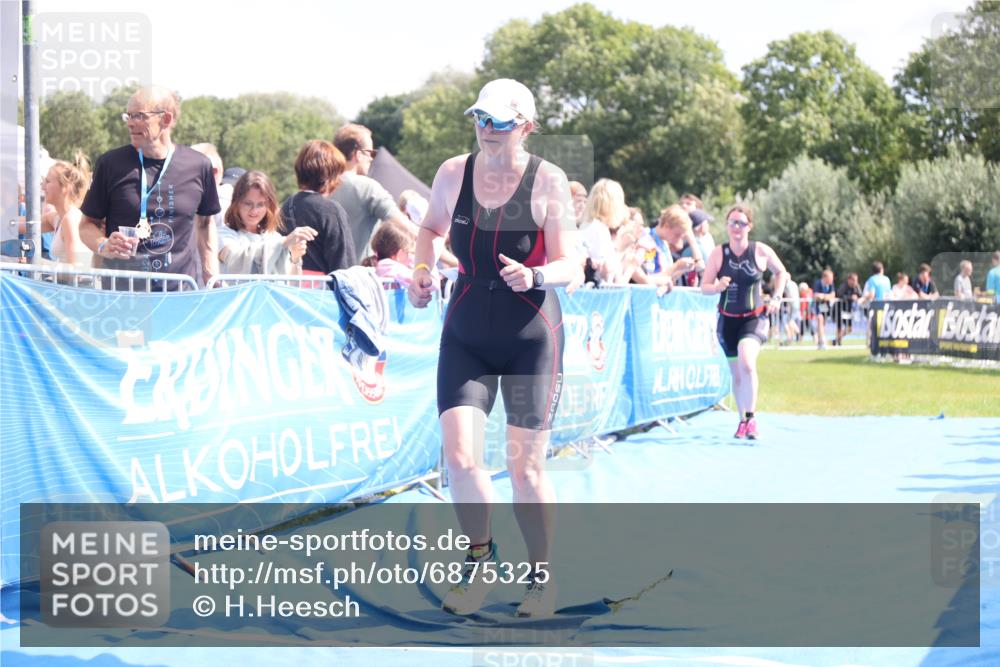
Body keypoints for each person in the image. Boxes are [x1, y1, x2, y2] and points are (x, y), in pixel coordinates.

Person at [407, 78, 582, 618]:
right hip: (466, 331)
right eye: (479, 119)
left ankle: (541, 578)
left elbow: (573, 267)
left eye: (499, 122)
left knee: (525, 470)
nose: (486, 130)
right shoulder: (452, 172)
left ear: (525, 126)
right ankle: (480, 558)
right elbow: (430, 230)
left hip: (532, 335)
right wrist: (419, 270)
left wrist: (536, 277)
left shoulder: (548, 181)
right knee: (459, 459)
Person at [79, 85, 220, 287]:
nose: (130, 123)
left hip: (180, 293)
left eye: (139, 116)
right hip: (125, 297)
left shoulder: (198, 165)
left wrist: (211, 277)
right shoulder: (111, 164)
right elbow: (86, 225)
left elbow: (206, 224)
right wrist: (103, 245)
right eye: (128, 116)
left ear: (166, 119)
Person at [702, 204, 787, 440]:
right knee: (737, 374)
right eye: (732, 222)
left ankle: (751, 418)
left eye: (741, 223)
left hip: (754, 318)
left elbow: (782, 273)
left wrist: (777, 297)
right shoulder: (719, 254)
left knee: (747, 362)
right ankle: (742, 421)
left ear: (749, 226)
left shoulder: (759, 251)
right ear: (727, 226)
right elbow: (704, 287)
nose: (736, 227)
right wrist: (717, 286)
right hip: (727, 321)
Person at [280, 140, 357, 275]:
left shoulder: (285, 207)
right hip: (322, 293)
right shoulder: (333, 211)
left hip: (288, 290)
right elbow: (345, 267)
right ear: (330, 175)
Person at [218, 171, 315, 275]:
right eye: (248, 203)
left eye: (260, 205)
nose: (254, 210)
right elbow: (235, 259)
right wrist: (283, 243)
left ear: (269, 206)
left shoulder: (274, 237)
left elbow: (291, 283)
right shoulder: (223, 235)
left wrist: (295, 258)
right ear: (236, 204)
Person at [42, 153, 93, 267]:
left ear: (65, 187)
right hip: (68, 284)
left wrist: (39, 264)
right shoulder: (57, 218)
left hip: (78, 284)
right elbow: (17, 224)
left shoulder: (71, 219)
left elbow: (75, 270)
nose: (42, 186)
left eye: (48, 181)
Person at [365, 218, 417, 287]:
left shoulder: (381, 266)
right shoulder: (388, 266)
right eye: (408, 253)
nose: (410, 258)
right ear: (399, 254)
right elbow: (420, 280)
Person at [835, 272, 862, 345]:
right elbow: (839, 295)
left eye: (856, 280)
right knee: (839, 327)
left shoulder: (856, 286)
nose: (855, 282)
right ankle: (838, 342)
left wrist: (856, 295)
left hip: (848, 310)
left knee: (849, 328)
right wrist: (850, 297)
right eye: (854, 280)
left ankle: (837, 339)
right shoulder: (843, 286)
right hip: (839, 308)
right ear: (849, 280)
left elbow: (860, 295)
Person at [811, 269, 836, 349]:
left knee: (822, 324)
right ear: (825, 278)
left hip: (825, 307)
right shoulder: (818, 283)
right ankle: (822, 341)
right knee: (820, 319)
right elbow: (816, 296)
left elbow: (832, 295)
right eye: (830, 278)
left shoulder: (831, 284)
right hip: (818, 306)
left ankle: (819, 341)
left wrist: (823, 296)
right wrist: (825, 297)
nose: (831, 280)